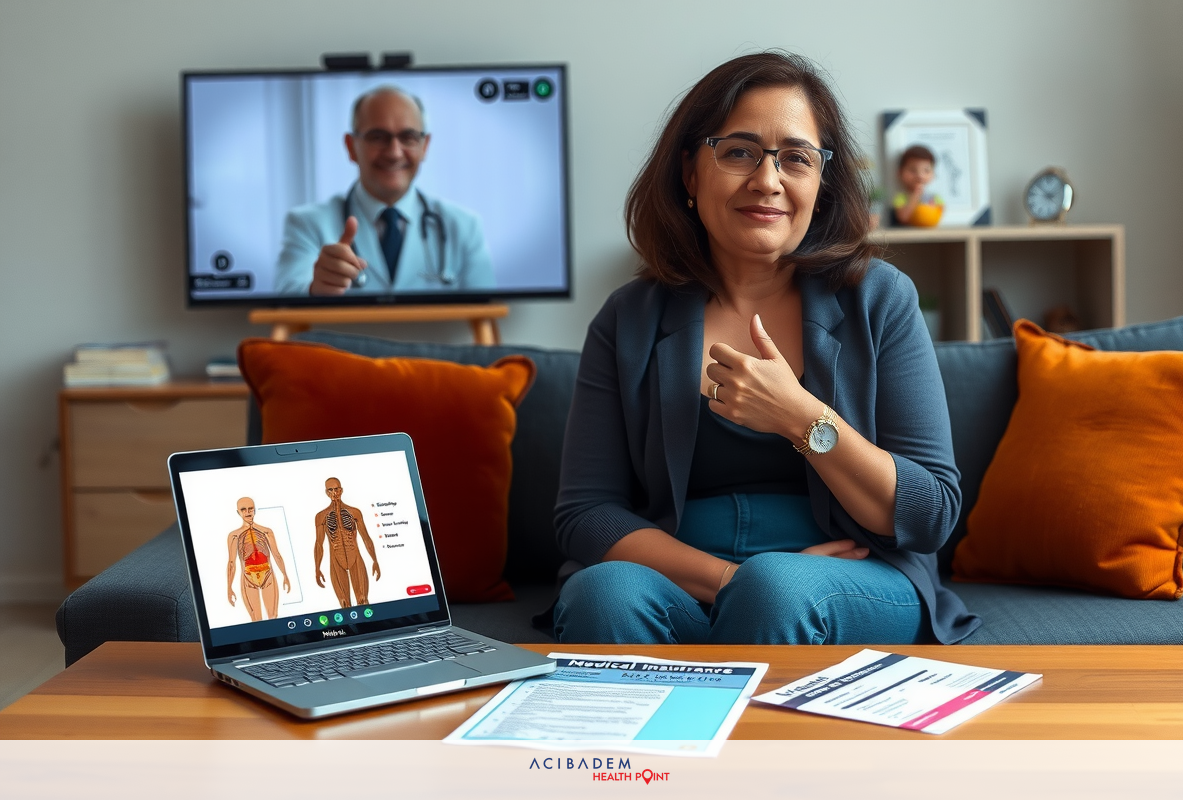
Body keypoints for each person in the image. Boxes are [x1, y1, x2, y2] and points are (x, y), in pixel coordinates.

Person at [552, 52, 979, 646]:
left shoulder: (880, 299)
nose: (768, 180)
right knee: (602, 593)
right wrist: (727, 580)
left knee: (776, 588)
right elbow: (586, 514)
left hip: (850, 578)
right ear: (690, 172)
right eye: (738, 152)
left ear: (821, 184)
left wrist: (800, 417)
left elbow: (930, 511)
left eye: (796, 158)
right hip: (678, 581)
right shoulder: (629, 318)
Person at [274, 86, 495, 295]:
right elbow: (286, 296)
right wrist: (316, 290)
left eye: (408, 138)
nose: (394, 153)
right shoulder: (306, 224)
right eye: (378, 137)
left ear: (425, 146)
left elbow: (488, 310)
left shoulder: (465, 226)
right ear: (351, 147)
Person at [314, 477, 381, 608]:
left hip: (355, 557)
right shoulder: (321, 516)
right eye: (330, 490)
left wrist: (375, 560)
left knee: (363, 600)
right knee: (344, 603)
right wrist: (317, 569)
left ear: (341, 490)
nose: (334, 493)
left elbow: (366, 538)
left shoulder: (355, 512)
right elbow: (318, 544)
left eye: (337, 489)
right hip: (336, 560)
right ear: (326, 493)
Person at [226, 497, 291, 621]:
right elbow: (231, 563)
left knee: (273, 617)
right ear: (238, 512)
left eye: (250, 509)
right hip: (248, 577)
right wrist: (229, 587)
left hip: (268, 575)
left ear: (254, 510)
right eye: (243, 509)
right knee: (256, 620)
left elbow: (276, 554)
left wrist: (285, 575)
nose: (247, 512)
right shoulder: (234, 535)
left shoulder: (266, 532)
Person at [892, 144, 944, 226]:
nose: (920, 175)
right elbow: (903, 218)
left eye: (926, 170)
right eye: (913, 170)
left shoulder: (934, 197)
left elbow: (940, 211)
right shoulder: (901, 198)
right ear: (900, 173)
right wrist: (915, 196)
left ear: (933, 174)